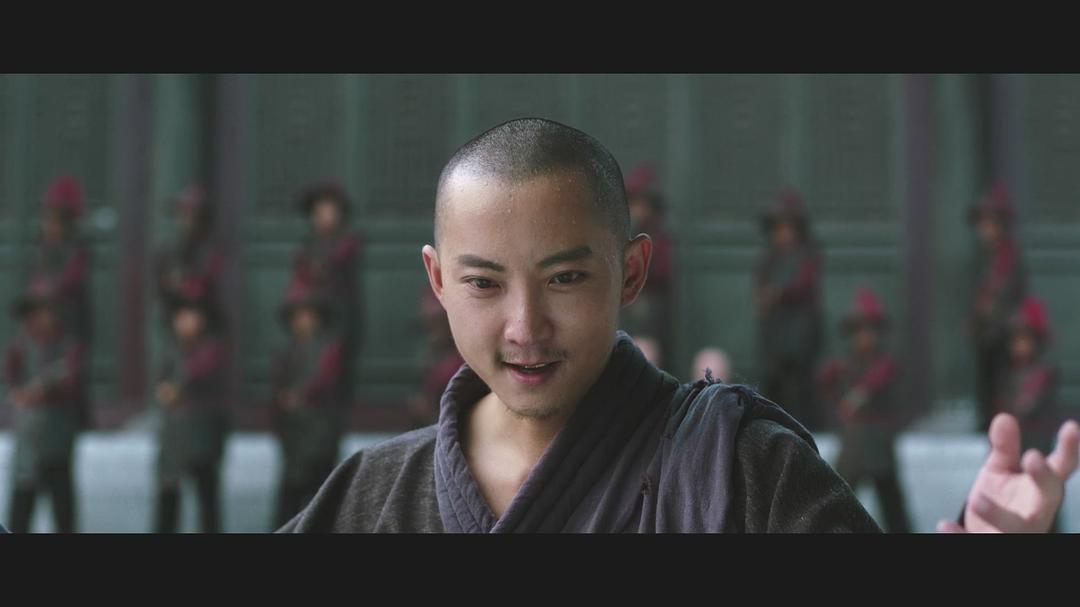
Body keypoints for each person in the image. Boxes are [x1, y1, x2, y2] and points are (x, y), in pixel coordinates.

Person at [279, 118, 1079, 534]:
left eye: (565, 278)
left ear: (632, 272)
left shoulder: (747, 470)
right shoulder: (374, 494)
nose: (525, 326)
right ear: (437, 281)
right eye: (484, 283)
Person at [819, 287, 912, 533]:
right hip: (854, 441)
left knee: (891, 504)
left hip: (878, 440)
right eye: (859, 331)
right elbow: (827, 384)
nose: (865, 337)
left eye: (870, 330)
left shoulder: (885, 365)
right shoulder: (845, 364)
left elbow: (883, 383)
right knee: (839, 501)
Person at [3, 291, 86, 533]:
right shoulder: (21, 346)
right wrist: (21, 394)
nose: (35, 321)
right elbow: (11, 379)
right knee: (21, 506)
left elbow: (70, 382)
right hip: (29, 435)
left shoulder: (66, 345)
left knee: (62, 506)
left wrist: (43, 391)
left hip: (56, 435)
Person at [268, 286, 345, 528]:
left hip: (320, 430)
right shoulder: (286, 350)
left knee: (320, 495)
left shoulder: (328, 347)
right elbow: (277, 388)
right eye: (298, 316)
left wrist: (300, 395)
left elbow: (324, 379)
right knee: (289, 495)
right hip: (293, 433)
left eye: (308, 315)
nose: (302, 321)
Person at [152, 297, 229, 533]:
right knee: (168, 496)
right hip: (174, 435)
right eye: (181, 317)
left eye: (190, 316)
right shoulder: (170, 348)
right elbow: (161, 382)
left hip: (203, 433)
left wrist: (176, 387)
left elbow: (199, 371)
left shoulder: (211, 348)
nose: (185, 322)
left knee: (207, 498)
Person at [754, 189, 825, 431]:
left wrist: (780, 293)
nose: (783, 234)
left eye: (788, 228)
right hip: (776, 330)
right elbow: (760, 287)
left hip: (800, 328)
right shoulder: (769, 259)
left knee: (799, 381)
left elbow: (805, 285)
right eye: (779, 228)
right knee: (775, 379)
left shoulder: (807, 255)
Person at [288, 181, 363, 406]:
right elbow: (301, 279)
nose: (324, 217)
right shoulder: (307, 247)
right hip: (314, 317)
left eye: (329, 211)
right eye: (319, 212)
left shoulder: (348, 242)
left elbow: (337, 261)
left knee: (336, 371)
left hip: (340, 315)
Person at [968, 183, 1027, 433]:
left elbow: (1010, 293)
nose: (986, 230)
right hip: (987, 330)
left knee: (1003, 379)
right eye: (983, 224)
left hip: (1004, 329)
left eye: (991, 223)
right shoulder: (985, 255)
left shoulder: (1008, 256)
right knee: (987, 377)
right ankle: (988, 420)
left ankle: (1001, 421)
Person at [619, 163, 674, 366]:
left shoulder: (659, 239)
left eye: (640, 204)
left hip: (649, 310)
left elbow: (660, 273)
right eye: (633, 203)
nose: (636, 210)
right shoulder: (623, 233)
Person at [153, 183, 226, 336]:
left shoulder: (210, 250)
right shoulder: (171, 249)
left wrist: (193, 303)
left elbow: (211, 287)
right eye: (181, 213)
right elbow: (163, 286)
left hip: (206, 323)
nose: (184, 219)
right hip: (175, 320)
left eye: (189, 213)